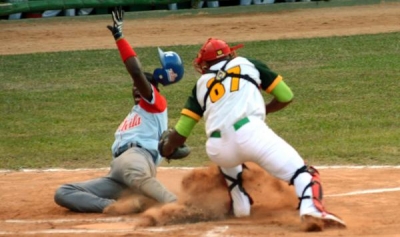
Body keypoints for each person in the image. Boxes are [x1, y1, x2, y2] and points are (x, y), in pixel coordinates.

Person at [158, 38, 346, 231]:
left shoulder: (200, 85)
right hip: (251, 133)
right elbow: (286, 96)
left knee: (229, 160)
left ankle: (241, 206)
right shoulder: (248, 64)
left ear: (205, 63)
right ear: (230, 54)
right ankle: (312, 209)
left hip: (218, 148)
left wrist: (166, 149)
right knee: (304, 174)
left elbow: (180, 133)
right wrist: (261, 109)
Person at [54, 7, 185, 213]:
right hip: (118, 172)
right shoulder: (137, 114)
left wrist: (119, 36)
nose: (135, 88)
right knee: (64, 192)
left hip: (137, 159)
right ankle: (121, 206)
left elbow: (135, 71)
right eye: (133, 87)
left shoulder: (155, 103)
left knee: (137, 175)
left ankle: (176, 206)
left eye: (139, 86)